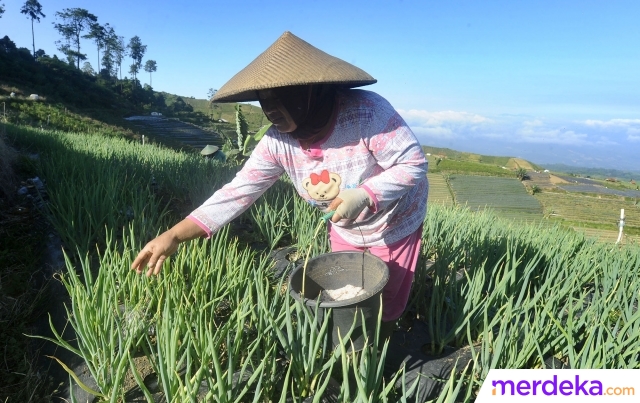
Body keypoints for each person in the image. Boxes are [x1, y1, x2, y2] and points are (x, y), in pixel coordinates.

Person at [131, 31, 429, 334]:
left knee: (384, 293)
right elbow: (239, 191)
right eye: (265, 99)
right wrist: (175, 235)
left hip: (393, 221)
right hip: (343, 223)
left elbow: (413, 163)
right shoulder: (278, 142)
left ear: (312, 92)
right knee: (347, 283)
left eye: (282, 97)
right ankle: (351, 343)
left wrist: (366, 194)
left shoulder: (367, 114)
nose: (271, 108)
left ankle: (381, 344)